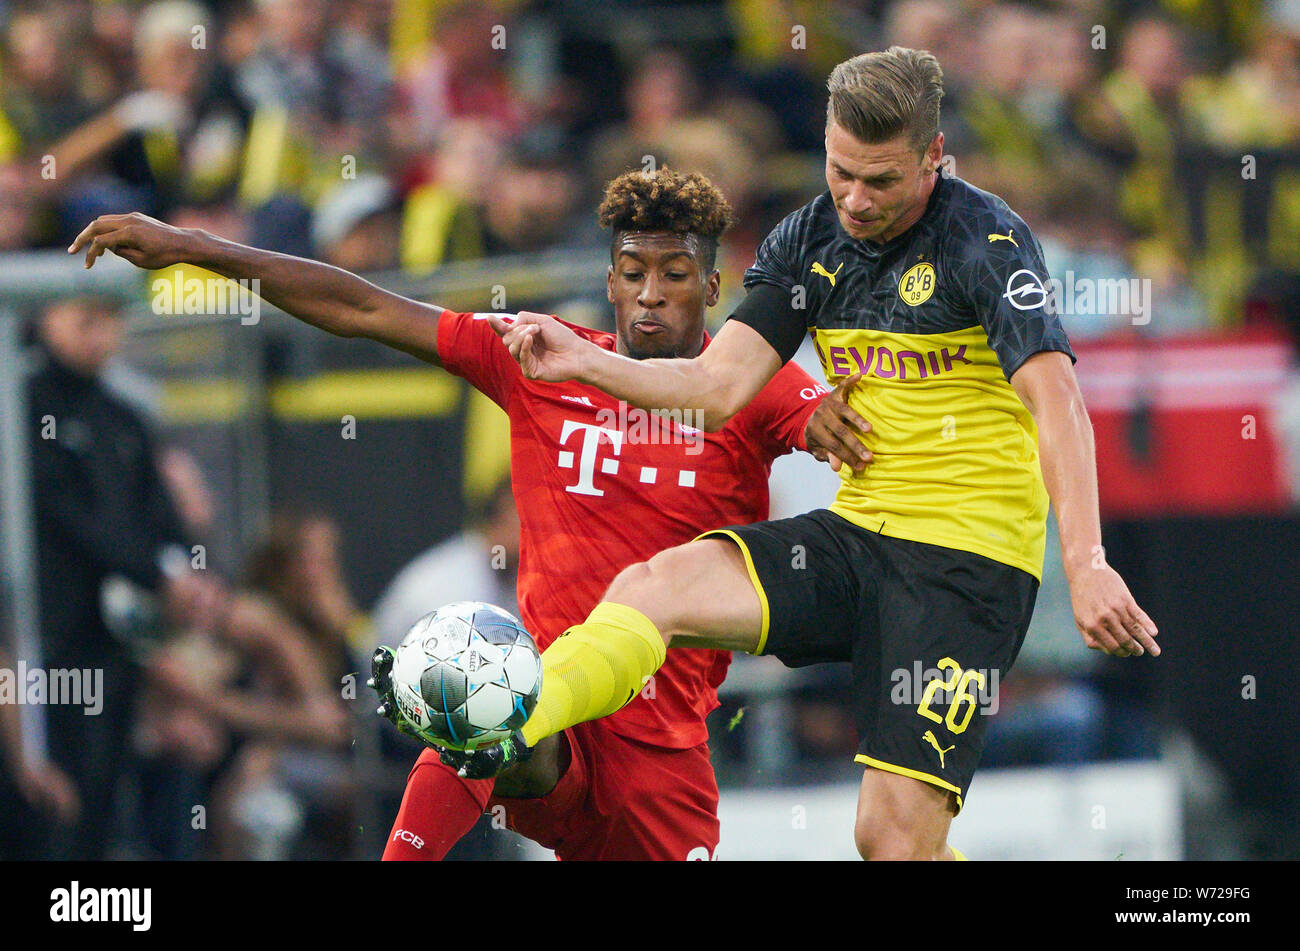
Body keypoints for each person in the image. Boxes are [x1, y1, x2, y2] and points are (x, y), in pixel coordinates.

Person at [476, 46, 1161, 861]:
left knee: (891, 841)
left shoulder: (988, 241)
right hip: (859, 535)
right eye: (841, 171)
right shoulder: (810, 239)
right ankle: (511, 720)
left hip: (966, 566)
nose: (856, 199)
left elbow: (1058, 402)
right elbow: (716, 385)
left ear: (934, 157)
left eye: (881, 180)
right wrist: (585, 359)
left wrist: (1085, 562)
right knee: (650, 586)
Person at [68, 167, 847, 861]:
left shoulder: (748, 388)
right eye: (633, 271)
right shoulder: (539, 356)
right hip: (551, 711)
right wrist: (196, 246)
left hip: (664, 742)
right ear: (610, 281)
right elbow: (361, 305)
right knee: (467, 681)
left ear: (711, 289)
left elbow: (854, 444)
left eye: (674, 274)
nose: (650, 293)